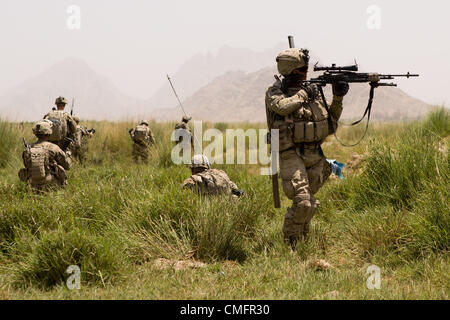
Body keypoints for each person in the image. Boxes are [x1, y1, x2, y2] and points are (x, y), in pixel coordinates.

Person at [265, 47, 349, 249]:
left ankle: (303, 241)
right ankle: (290, 247)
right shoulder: (276, 92)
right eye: (303, 70)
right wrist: (304, 93)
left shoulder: (313, 94)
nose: (306, 73)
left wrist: (338, 98)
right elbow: (282, 107)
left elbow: (332, 119)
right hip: (290, 153)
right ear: (293, 70)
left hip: (314, 155)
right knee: (302, 201)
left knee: (308, 204)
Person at [18, 119, 72, 191]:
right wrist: (68, 155)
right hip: (50, 184)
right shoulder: (53, 148)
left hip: (32, 185)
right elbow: (67, 165)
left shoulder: (28, 148)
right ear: (49, 133)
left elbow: (27, 166)